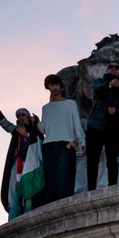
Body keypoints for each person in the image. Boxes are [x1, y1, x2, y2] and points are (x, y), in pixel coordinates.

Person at [0, 92, 44, 219]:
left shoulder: (35, 131)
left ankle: (28, 221)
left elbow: (39, 144)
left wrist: (27, 135)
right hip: (17, 166)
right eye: (18, 116)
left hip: (31, 166)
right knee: (14, 198)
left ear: (29, 118)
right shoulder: (16, 133)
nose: (20, 118)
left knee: (29, 196)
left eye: (23, 115)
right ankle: (13, 221)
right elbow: (5, 123)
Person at [86, 60, 119, 192]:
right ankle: (91, 190)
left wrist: (116, 112)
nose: (113, 69)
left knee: (112, 161)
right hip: (96, 128)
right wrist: (109, 85)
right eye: (111, 67)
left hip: (114, 130)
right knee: (92, 161)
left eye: (116, 67)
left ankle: (112, 188)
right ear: (107, 69)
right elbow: (96, 90)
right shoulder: (99, 82)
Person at [39, 73, 84, 205]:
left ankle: (65, 207)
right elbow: (44, 129)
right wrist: (35, 122)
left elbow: (77, 124)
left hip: (65, 145)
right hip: (48, 146)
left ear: (60, 86)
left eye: (57, 85)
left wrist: (81, 141)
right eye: (52, 85)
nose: (55, 88)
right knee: (50, 180)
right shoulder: (46, 108)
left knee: (65, 179)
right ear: (48, 87)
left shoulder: (70, 104)